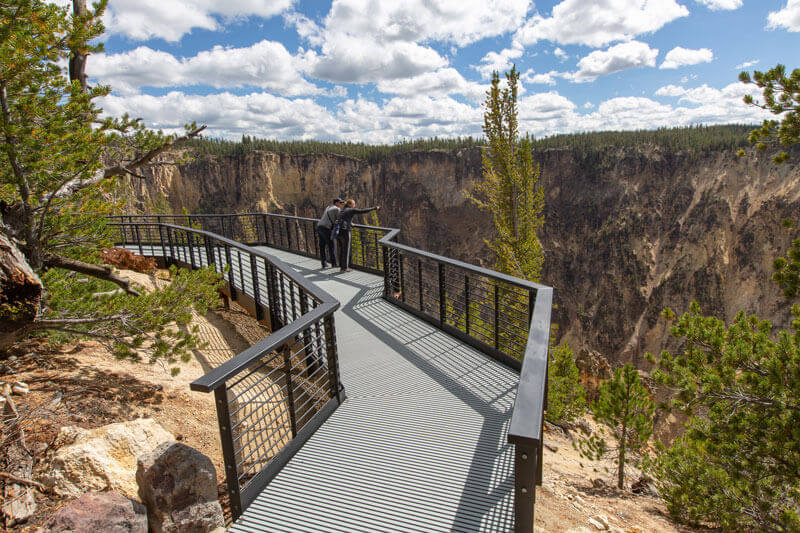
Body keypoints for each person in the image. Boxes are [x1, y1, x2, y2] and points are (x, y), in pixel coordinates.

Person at [335, 199, 380, 272]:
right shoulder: (351, 210)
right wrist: (374, 208)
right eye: (353, 204)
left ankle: (341, 266)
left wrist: (350, 222)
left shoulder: (343, 210)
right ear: (350, 205)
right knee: (346, 249)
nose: (354, 206)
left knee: (342, 249)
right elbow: (363, 211)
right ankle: (344, 268)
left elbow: (344, 218)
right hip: (345, 230)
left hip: (338, 231)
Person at [316, 197, 343, 268]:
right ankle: (334, 263)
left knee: (322, 246)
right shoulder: (337, 209)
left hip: (319, 227)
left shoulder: (328, 207)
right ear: (336, 203)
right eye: (340, 203)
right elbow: (340, 219)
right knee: (331, 246)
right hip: (326, 229)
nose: (341, 204)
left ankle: (324, 263)